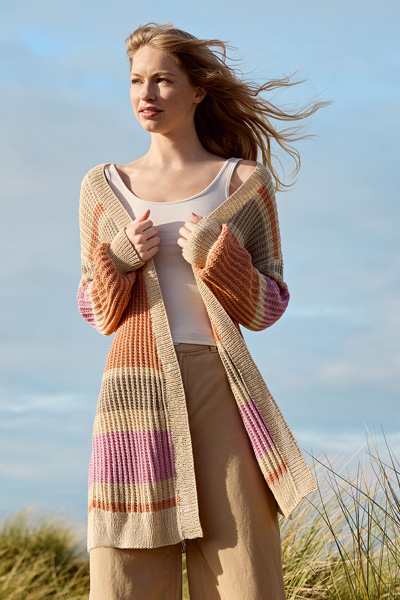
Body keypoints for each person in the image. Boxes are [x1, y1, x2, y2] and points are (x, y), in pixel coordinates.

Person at [77, 21, 327, 600]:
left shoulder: (243, 183)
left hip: (222, 386)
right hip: (132, 390)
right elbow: (94, 309)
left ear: (198, 90)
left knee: (245, 574)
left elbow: (269, 304)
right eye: (136, 80)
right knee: (126, 574)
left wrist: (219, 258)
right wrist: (119, 258)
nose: (146, 94)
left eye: (163, 80)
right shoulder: (101, 187)